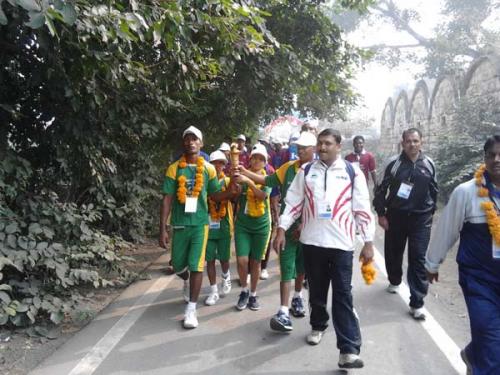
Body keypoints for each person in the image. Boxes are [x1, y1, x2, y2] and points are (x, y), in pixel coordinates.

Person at [274, 128, 375, 369]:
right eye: (320, 143)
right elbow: (293, 203)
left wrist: (368, 242)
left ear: (339, 146)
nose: (322, 148)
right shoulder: (306, 171)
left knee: (343, 295)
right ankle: (318, 325)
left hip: (342, 245)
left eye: (328, 143)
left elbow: (362, 208)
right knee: (318, 294)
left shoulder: (352, 173)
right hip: (312, 242)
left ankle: (348, 350)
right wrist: (280, 228)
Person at [426, 135, 500, 375]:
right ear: (484, 158)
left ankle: (472, 353)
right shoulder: (466, 192)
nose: (497, 159)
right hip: (479, 280)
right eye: (491, 155)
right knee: (490, 337)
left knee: (489, 338)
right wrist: (432, 263)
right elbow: (447, 228)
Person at [159, 126, 236, 329]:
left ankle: (191, 310)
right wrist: (163, 228)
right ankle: (185, 280)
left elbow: (215, 195)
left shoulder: (209, 169)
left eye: (195, 139)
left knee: (197, 266)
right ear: (183, 143)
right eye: (187, 139)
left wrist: (230, 192)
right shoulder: (174, 168)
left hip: (201, 225)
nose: (191, 142)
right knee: (177, 266)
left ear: (201, 144)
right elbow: (167, 199)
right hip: (180, 224)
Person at [240, 131, 316, 332]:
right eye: (298, 147)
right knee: (286, 267)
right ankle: (283, 310)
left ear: (314, 149)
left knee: (301, 268)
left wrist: (305, 224)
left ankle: (298, 297)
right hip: (287, 227)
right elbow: (268, 181)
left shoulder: (318, 170)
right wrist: (246, 173)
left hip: (310, 230)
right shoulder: (289, 168)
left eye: (304, 148)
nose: (300, 150)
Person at [373, 128, 438, 320]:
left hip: (421, 218)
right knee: (394, 253)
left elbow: (434, 190)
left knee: (418, 258)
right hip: (396, 216)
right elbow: (380, 191)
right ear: (403, 143)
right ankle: (394, 280)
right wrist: (381, 214)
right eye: (408, 141)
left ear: (421, 143)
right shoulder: (393, 164)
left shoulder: (429, 164)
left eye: (416, 141)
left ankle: (417, 302)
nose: (412, 144)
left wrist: (431, 212)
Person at [233, 144, 272, 311]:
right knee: (242, 260)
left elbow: (262, 196)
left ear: (265, 162)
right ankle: (244, 290)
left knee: (255, 262)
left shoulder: (269, 178)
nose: (257, 161)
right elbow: (234, 194)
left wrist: (248, 181)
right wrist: (235, 182)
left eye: (261, 159)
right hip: (243, 224)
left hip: (261, 225)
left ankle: (253, 294)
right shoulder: (241, 174)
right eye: (254, 157)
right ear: (250, 160)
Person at [204, 150, 234, 306]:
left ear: (224, 165)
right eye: (215, 162)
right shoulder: (204, 180)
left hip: (224, 224)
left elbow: (235, 195)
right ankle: (213, 291)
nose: (218, 165)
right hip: (208, 225)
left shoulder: (228, 181)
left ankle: (226, 275)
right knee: (209, 260)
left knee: (224, 258)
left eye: (221, 162)